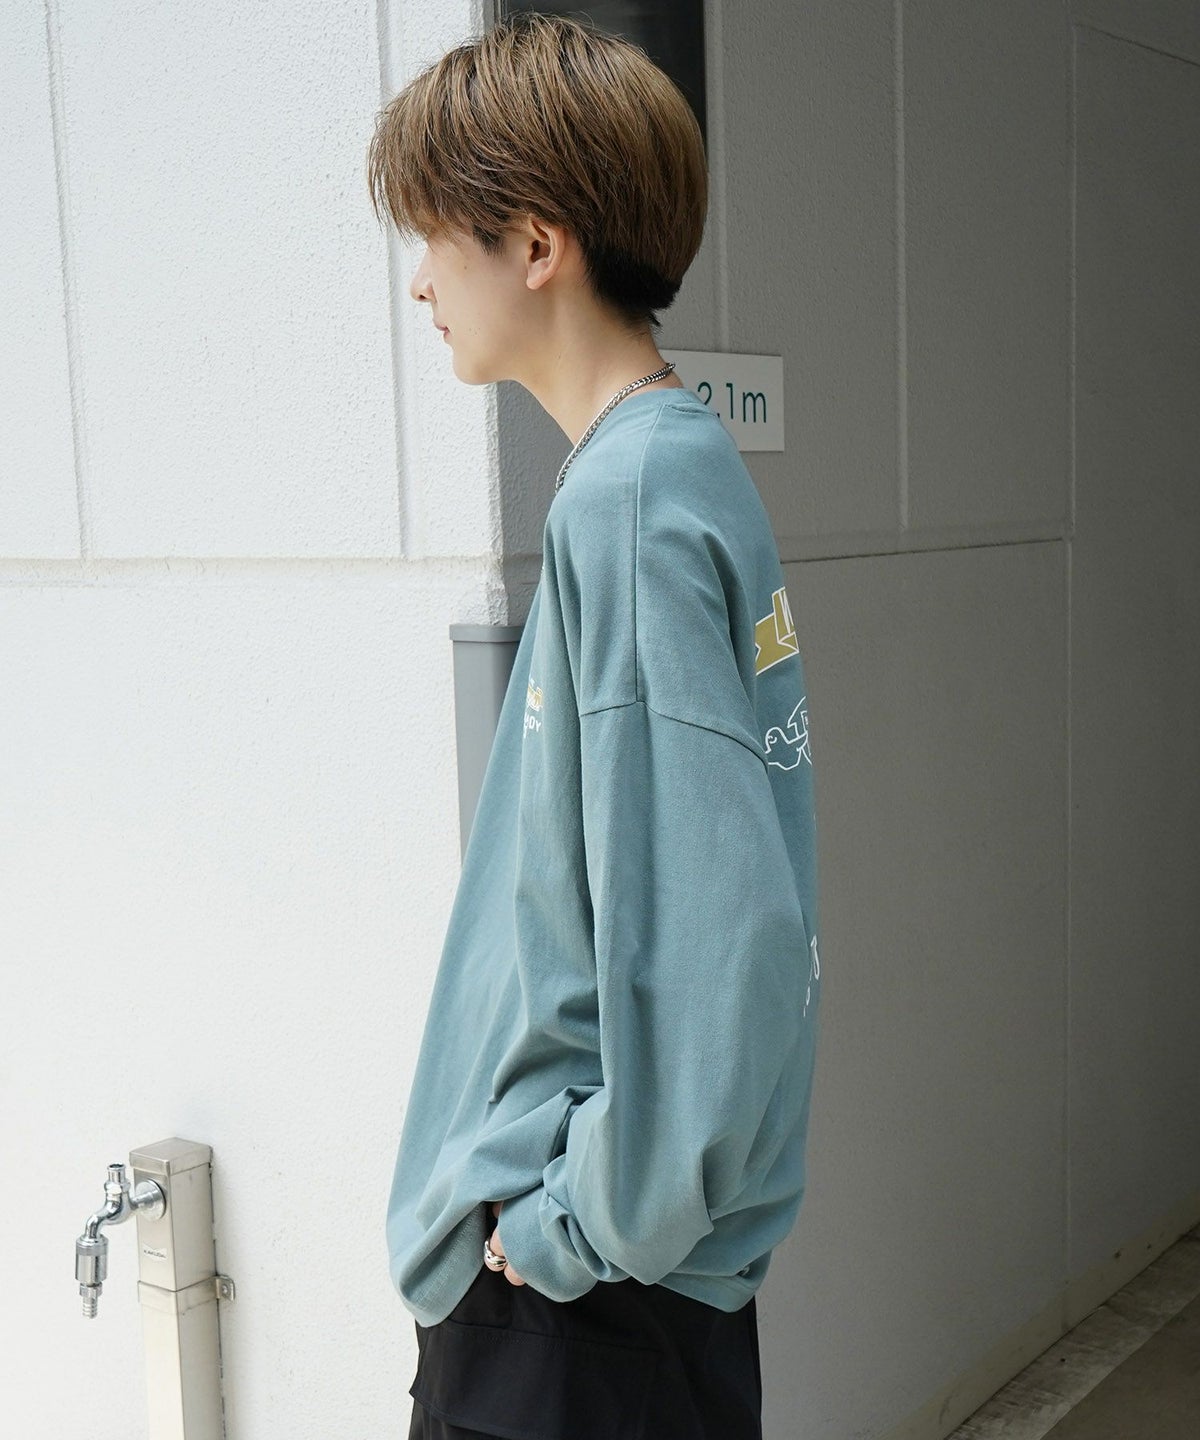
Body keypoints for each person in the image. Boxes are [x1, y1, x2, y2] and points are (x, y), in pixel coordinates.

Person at [366, 14, 822, 1439]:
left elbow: (726, 946)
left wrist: (563, 1225)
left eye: (434, 236)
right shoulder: (678, 465)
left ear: (536, 243)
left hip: (581, 1309)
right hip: (622, 1293)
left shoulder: (628, 504)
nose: (421, 280)